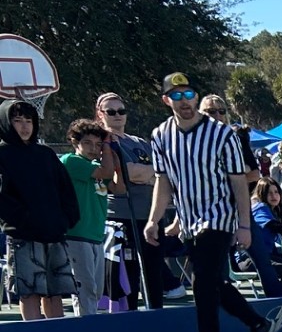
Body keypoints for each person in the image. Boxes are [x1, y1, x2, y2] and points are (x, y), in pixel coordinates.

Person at [144, 72, 268, 332]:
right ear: (166, 100)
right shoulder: (160, 135)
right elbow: (163, 181)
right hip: (189, 220)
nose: (184, 101)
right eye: (177, 96)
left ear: (196, 97)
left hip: (219, 217)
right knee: (211, 281)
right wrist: (154, 220)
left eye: (189, 95)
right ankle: (256, 322)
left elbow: (239, 182)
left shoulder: (222, 134)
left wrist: (244, 225)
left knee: (202, 280)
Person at [0, 102, 79, 320]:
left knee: (55, 291)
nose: (25, 126)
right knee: (30, 291)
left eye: (29, 121)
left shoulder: (46, 154)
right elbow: (3, 199)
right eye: (18, 121)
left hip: (54, 233)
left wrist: (65, 220)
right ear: (6, 123)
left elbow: (66, 191)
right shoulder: (2, 154)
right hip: (23, 237)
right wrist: (24, 221)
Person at [96, 91, 176, 307]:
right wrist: (149, 173)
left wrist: (147, 173)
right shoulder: (103, 142)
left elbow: (164, 173)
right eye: (111, 111)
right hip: (121, 218)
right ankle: (129, 318)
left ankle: (156, 315)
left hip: (151, 216)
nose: (117, 115)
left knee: (154, 273)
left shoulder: (139, 142)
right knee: (127, 277)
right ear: (100, 114)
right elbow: (128, 172)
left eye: (121, 111)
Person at [60, 119, 115, 316]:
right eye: (87, 143)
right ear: (75, 142)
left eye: (98, 144)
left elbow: (119, 186)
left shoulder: (96, 165)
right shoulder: (71, 161)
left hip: (96, 234)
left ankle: (89, 322)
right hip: (77, 233)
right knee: (85, 288)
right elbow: (106, 171)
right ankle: (85, 326)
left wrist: (115, 155)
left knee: (96, 289)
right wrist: (107, 148)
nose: (94, 149)